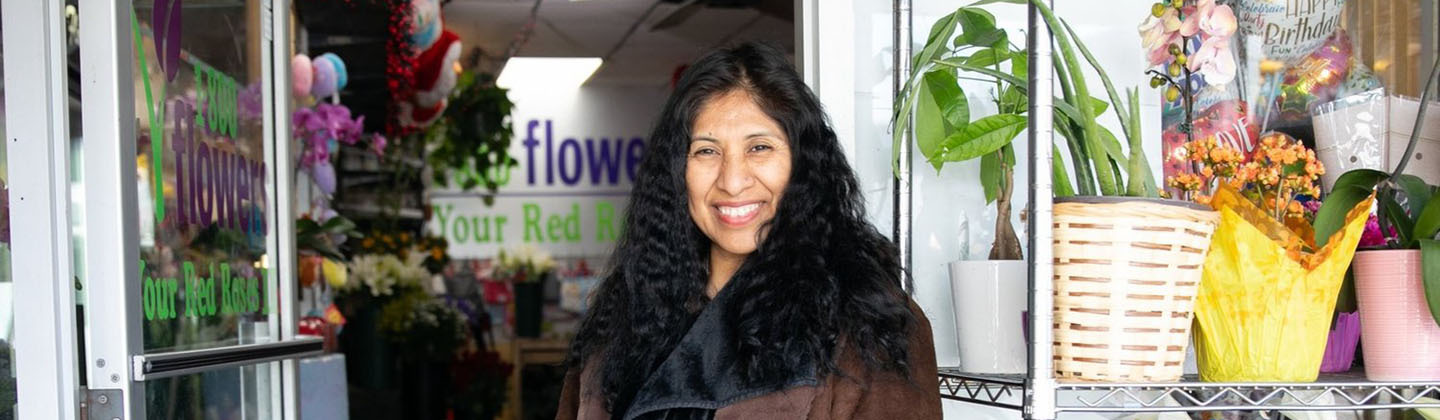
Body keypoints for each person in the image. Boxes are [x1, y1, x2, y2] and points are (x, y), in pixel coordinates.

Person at [556, 42, 941, 420]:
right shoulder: (625, 316)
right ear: (678, 172)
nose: (733, 181)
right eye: (706, 151)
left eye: (759, 147)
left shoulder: (868, 322)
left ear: (802, 164)